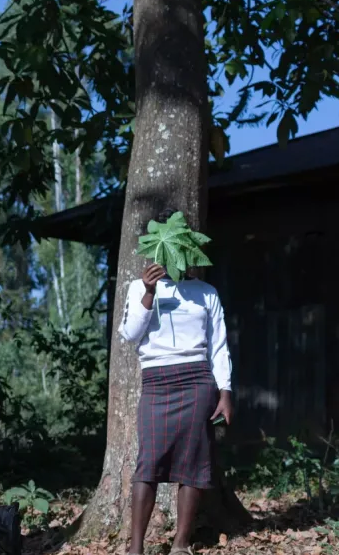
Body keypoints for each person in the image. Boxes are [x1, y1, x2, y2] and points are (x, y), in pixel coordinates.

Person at [119, 210, 233, 555]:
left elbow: (219, 345)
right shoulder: (139, 287)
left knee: (195, 462)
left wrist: (225, 391)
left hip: (197, 382)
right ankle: (136, 546)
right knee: (149, 462)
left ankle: (181, 544)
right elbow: (129, 334)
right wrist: (149, 294)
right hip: (156, 382)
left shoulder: (206, 292)